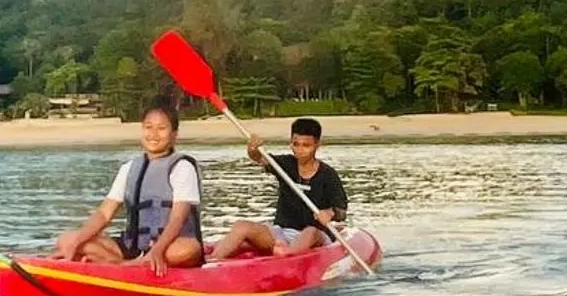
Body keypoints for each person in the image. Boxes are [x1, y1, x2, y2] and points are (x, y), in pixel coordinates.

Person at [53, 100, 204, 276]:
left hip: (171, 245)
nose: (154, 134)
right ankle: (124, 263)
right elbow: (104, 214)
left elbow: (178, 217)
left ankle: (120, 265)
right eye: (148, 127)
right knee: (67, 238)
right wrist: (77, 241)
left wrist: (158, 250)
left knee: (189, 248)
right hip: (132, 246)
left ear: (174, 135)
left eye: (161, 128)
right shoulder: (130, 168)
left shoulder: (182, 167)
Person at [209, 117, 348, 261]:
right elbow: (259, 158)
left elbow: (342, 211)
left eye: (306, 145)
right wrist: (253, 149)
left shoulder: (328, 174)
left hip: (314, 235)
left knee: (310, 231)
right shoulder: (285, 164)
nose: (300, 150)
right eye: (296, 144)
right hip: (281, 233)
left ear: (317, 145)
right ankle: (212, 260)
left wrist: (329, 213)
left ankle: (286, 254)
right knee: (241, 226)